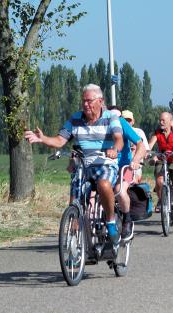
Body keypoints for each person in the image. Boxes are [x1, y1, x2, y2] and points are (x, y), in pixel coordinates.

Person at [25, 84, 124, 248]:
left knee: (103, 184)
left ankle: (111, 221)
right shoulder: (75, 119)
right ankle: (73, 246)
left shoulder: (110, 117)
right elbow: (59, 140)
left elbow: (118, 138)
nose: (86, 104)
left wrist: (114, 150)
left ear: (100, 101)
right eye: (83, 101)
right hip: (83, 166)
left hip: (104, 163)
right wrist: (42, 139)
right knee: (74, 204)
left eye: (89, 101)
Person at [109, 107, 145, 240]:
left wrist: (135, 160)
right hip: (106, 167)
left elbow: (140, 145)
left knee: (119, 190)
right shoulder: (99, 123)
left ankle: (127, 219)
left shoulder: (123, 124)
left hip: (125, 166)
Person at [122, 110, 150, 183]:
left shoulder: (138, 132)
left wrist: (139, 158)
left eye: (129, 120)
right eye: (124, 120)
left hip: (134, 166)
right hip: (121, 164)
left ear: (133, 121)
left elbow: (145, 150)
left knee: (132, 181)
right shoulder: (117, 132)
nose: (126, 123)